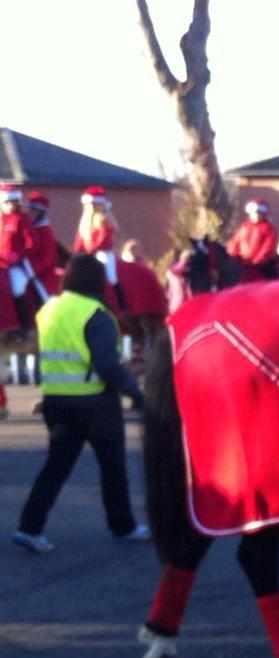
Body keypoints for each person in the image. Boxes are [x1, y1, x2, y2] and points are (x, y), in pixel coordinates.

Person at [13, 254, 150, 554]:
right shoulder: (96, 313)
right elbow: (105, 364)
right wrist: (135, 394)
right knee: (112, 466)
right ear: (97, 281)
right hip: (94, 402)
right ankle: (123, 526)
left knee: (56, 466)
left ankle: (29, 526)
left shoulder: (49, 308)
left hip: (55, 399)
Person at [74, 185, 127, 312]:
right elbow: (80, 241)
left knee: (111, 277)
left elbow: (103, 239)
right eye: (90, 205)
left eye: (94, 205)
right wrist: (77, 254)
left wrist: (91, 251)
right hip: (88, 254)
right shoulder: (84, 222)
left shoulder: (104, 220)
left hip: (103, 253)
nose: (92, 207)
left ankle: (122, 304)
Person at [0, 184, 40, 339]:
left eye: (14, 202)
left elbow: (32, 243)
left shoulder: (22, 219)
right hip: (1, 263)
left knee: (17, 289)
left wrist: (18, 256)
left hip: (18, 264)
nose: (11, 206)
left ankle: (23, 327)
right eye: (8, 203)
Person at [226, 198, 279, 279]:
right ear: (250, 214)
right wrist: (233, 256)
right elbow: (235, 241)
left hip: (260, 263)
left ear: (264, 214)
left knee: (271, 275)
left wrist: (256, 261)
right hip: (243, 262)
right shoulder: (244, 227)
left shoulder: (269, 229)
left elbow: (267, 247)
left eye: (259, 213)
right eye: (254, 213)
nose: (256, 216)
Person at [24, 192, 58, 303]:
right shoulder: (29, 228)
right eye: (30, 209)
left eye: (34, 210)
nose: (31, 213)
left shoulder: (45, 231)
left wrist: (32, 270)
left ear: (41, 212)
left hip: (42, 278)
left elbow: (47, 258)